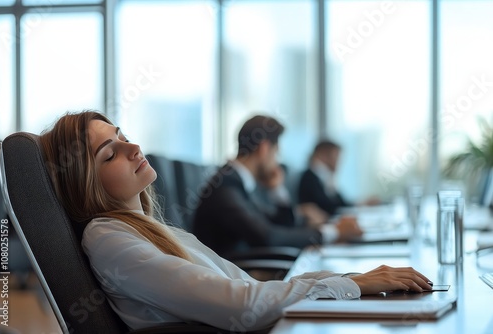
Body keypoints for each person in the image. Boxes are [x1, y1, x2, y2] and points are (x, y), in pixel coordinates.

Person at [40, 110, 433, 332]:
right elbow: (240, 303)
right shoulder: (111, 239)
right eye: (110, 153)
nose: (134, 146)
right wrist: (349, 285)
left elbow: (242, 287)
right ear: (85, 184)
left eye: (123, 134)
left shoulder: (149, 228)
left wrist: (354, 281)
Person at [193, 115, 363, 258]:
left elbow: (278, 224)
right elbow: (268, 236)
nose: (277, 162)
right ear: (264, 148)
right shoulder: (225, 186)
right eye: (276, 153)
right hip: (234, 279)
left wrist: (277, 190)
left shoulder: (238, 181)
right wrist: (333, 232)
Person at [298, 139, 379, 216]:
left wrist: (361, 204)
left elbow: (340, 203)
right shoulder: (309, 178)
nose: (338, 162)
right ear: (323, 155)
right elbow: (329, 207)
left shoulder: (325, 177)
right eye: (336, 157)